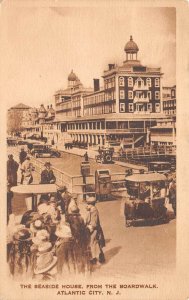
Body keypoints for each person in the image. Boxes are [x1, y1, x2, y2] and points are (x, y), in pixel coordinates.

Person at [85, 196, 105, 265]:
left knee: (93, 244)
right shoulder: (91, 210)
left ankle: (94, 259)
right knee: (96, 243)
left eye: (88, 204)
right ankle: (101, 258)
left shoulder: (94, 211)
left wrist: (89, 228)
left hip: (94, 229)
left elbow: (94, 222)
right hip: (94, 229)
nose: (87, 205)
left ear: (91, 204)